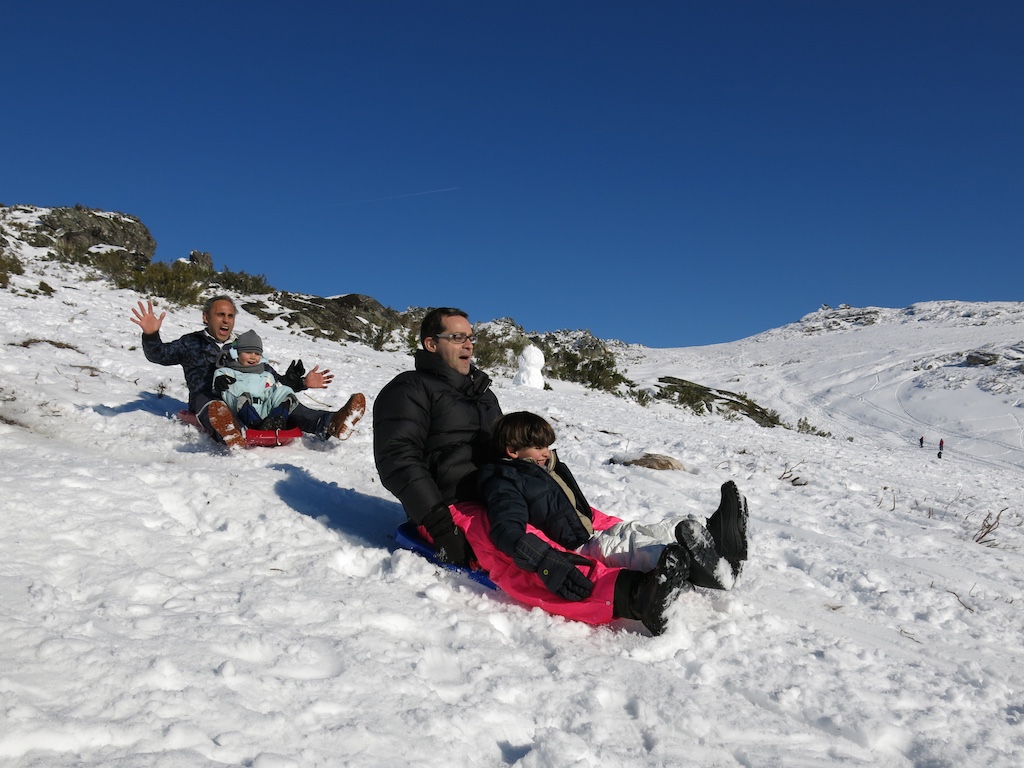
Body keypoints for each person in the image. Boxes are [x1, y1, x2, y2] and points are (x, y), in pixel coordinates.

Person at [373, 307, 749, 635]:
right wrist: (440, 524)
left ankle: (691, 554)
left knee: (588, 521)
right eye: (457, 337)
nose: (469, 344)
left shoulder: (482, 392)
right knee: (523, 548)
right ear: (430, 344)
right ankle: (632, 596)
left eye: (471, 336)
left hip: (503, 484)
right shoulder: (408, 390)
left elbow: (501, 444)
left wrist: (534, 461)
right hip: (453, 504)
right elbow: (397, 459)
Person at [478, 411, 746, 632]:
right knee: (633, 547)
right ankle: (679, 562)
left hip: (591, 531)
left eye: (547, 445)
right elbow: (506, 526)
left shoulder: (544, 469)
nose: (546, 452)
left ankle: (715, 535)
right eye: (537, 447)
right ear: (512, 450)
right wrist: (539, 556)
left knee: (646, 528)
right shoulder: (505, 481)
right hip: (579, 546)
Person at [131, 296, 365, 445]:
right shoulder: (191, 342)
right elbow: (158, 355)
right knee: (215, 407)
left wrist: (301, 382)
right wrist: (151, 335)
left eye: (230, 316)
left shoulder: (243, 347)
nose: (226, 320)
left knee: (285, 401)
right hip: (208, 397)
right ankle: (230, 431)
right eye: (220, 315)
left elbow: (269, 379)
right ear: (206, 317)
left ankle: (331, 422)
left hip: (253, 398)